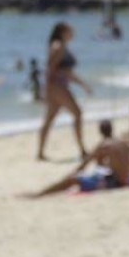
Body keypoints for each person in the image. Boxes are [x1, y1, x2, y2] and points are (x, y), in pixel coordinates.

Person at [25, 120, 129, 197]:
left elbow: (84, 165)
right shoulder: (121, 143)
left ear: (100, 131)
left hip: (115, 183)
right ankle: (41, 193)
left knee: (72, 180)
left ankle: (40, 194)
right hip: (122, 180)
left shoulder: (104, 145)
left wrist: (70, 175)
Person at [37, 22, 91, 161]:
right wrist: (47, 89)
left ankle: (40, 153)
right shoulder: (58, 46)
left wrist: (82, 84)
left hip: (56, 86)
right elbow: (52, 69)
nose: (73, 33)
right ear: (62, 32)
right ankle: (82, 150)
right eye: (70, 31)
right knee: (77, 113)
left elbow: (62, 71)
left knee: (49, 119)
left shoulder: (60, 46)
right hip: (57, 86)